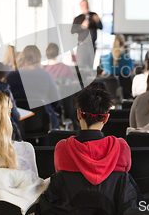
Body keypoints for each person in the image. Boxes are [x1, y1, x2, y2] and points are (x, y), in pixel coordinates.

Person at [42, 86, 136, 214]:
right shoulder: (121, 147)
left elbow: (62, 181)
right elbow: (122, 183)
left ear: (79, 114)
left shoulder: (62, 148)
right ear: (106, 118)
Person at [7, 45, 61, 129]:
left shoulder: (11, 76)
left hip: (18, 124)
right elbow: (56, 102)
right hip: (44, 123)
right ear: (38, 59)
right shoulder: (45, 75)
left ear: (22, 57)